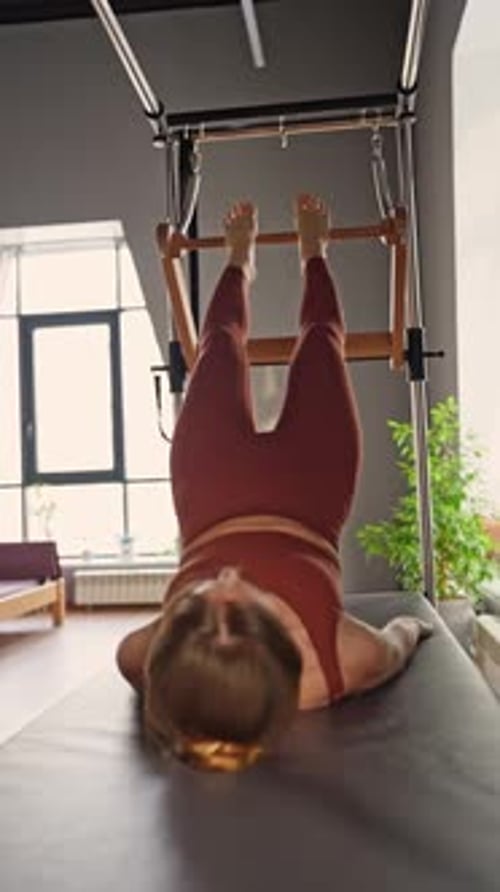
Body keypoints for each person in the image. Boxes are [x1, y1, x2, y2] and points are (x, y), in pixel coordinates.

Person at [116, 193, 433, 772]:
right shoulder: (345, 661)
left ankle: (241, 258)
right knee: (321, 342)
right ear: (282, 655)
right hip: (309, 499)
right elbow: (404, 635)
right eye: (246, 600)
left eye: (198, 602)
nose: (230, 575)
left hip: (210, 496)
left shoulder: (143, 656)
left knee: (217, 346)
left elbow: (162, 685)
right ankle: (316, 250)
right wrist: (421, 622)